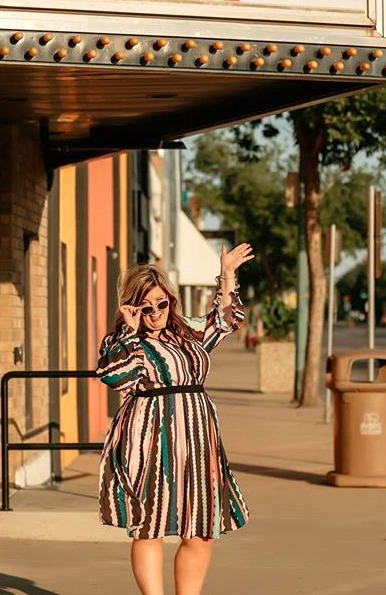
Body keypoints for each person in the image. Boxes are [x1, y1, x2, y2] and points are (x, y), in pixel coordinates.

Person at [95, 243, 254, 595]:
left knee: (200, 528)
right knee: (149, 526)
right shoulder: (125, 342)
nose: (155, 313)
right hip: (149, 437)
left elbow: (225, 321)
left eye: (161, 303)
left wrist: (227, 274)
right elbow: (112, 375)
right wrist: (127, 329)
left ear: (171, 299)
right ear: (133, 308)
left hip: (198, 436)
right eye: (146, 307)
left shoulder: (186, 331)